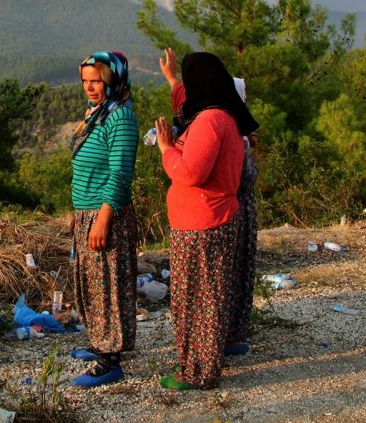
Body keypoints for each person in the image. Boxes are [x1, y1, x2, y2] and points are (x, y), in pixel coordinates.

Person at [154, 51, 259, 390]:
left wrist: (167, 149)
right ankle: (199, 362)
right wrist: (172, 79)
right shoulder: (225, 117)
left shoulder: (210, 121)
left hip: (203, 224)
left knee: (197, 300)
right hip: (210, 219)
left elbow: (190, 173)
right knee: (206, 297)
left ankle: (198, 371)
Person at [68, 50, 139, 387]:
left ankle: (110, 359)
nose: (90, 87)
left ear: (113, 80)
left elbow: (120, 174)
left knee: (108, 286)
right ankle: (100, 341)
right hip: (88, 212)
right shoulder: (97, 113)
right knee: (91, 285)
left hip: (105, 213)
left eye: (96, 81)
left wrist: (102, 219)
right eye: (85, 81)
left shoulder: (120, 117)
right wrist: (79, 214)